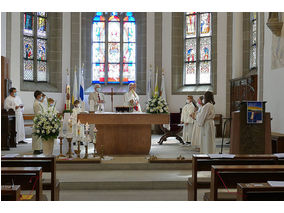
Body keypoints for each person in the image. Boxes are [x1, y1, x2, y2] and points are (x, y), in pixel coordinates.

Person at [32, 90, 44, 154]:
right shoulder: (36, 103)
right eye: (41, 95)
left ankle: (39, 148)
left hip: (40, 119)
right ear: (38, 96)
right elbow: (38, 112)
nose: (41, 96)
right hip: (38, 120)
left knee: (39, 135)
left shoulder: (38, 102)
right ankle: (37, 149)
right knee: (37, 135)